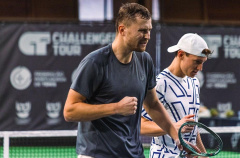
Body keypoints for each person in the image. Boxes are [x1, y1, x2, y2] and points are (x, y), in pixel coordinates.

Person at [63, 3, 183, 158]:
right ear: (122, 30)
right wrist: (116, 108)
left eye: (149, 30)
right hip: (97, 154)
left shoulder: (145, 60)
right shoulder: (95, 62)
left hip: (134, 154)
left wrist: (176, 136)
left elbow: (153, 104)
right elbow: (70, 111)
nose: (147, 36)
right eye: (142, 31)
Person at [141, 33, 213, 158]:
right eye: (197, 62)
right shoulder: (160, 84)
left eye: (203, 63)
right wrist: (173, 127)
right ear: (181, 54)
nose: (200, 68)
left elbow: (193, 128)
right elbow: (140, 126)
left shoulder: (194, 83)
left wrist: (203, 154)